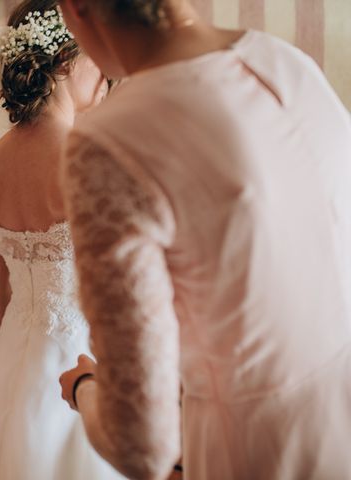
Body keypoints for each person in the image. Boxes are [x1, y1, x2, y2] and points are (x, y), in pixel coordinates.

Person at [57, 0, 351, 479]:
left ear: (77, 7)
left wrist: (85, 386)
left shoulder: (110, 139)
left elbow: (142, 446)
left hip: (256, 449)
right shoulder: (287, 60)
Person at [0, 1, 125, 479]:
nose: (106, 72)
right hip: (83, 357)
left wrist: (6, 362)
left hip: (16, 351)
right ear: (66, 62)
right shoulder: (89, 158)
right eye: (97, 53)